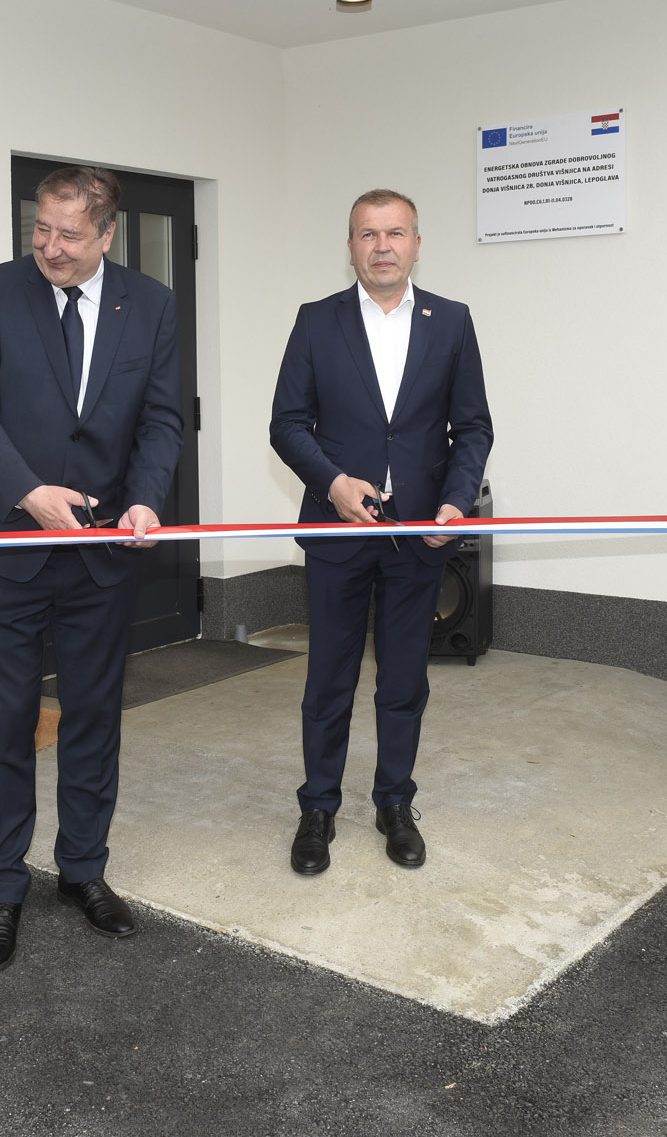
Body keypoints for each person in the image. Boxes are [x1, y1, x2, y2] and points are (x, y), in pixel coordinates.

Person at [0, 165, 183, 969]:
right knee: (7, 718)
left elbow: (160, 419)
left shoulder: (150, 304)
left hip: (102, 555)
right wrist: (28, 492)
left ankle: (83, 869)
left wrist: (146, 499)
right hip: (7, 547)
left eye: (70, 234)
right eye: (41, 229)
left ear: (106, 235)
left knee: (93, 716)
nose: (50, 246)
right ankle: (1, 888)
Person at [268, 189, 492, 875]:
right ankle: (318, 808)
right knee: (328, 679)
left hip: (419, 535)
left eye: (395, 233)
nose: (383, 246)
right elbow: (287, 424)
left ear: (417, 244)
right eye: (368, 234)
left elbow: (472, 428)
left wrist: (455, 503)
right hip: (338, 532)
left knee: (403, 679)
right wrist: (333, 483)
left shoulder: (451, 322)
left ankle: (395, 802)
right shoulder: (317, 321)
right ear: (351, 247)